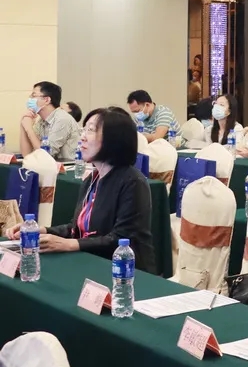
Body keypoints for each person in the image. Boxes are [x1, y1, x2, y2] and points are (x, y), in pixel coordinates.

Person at [7, 107, 155, 272]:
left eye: (90, 130)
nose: (82, 137)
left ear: (114, 139)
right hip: (90, 261)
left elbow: (122, 238)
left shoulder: (132, 182)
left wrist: (70, 244)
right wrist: (40, 230)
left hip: (124, 271)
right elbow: (77, 228)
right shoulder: (92, 179)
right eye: (84, 130)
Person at [20, 81, 80, 161]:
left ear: (47, 100)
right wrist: (23, 126)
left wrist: (29, 129)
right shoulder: (42, 121)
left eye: (33, 96)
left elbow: (45, 156)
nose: (30, 99)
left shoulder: (62, 119)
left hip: (70, 167)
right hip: (50, 166)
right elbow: (27, 154)